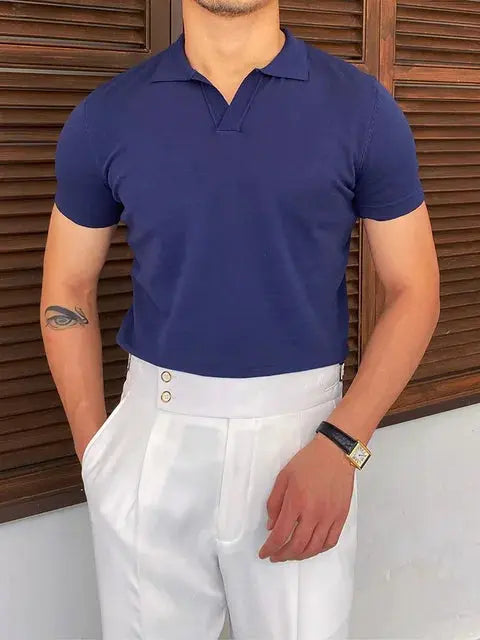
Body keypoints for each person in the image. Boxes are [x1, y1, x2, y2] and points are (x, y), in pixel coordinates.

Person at [40, 0, 440, 638]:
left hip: (305, 436)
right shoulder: (106, 117)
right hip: (153, 432)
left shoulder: (362, 110)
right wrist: (99, 456)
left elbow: (414, 290)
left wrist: (343, 446)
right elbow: (67, 288)